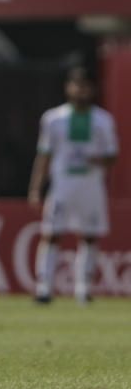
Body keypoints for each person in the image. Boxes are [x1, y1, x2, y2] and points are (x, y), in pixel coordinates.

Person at [28, 67, 119, 304]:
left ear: (92, 89)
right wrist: (36, 187)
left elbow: (112, 156)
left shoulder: (103, 120)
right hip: (62, 186)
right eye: (76, 85)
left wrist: (96, 159)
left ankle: (83, 289)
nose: (81, 90)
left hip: (90, 185)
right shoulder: (53, 119)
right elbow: (44, 155)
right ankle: (44, 288)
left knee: (89, 236)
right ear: (68, 88)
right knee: (52, 233)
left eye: (85, 86)